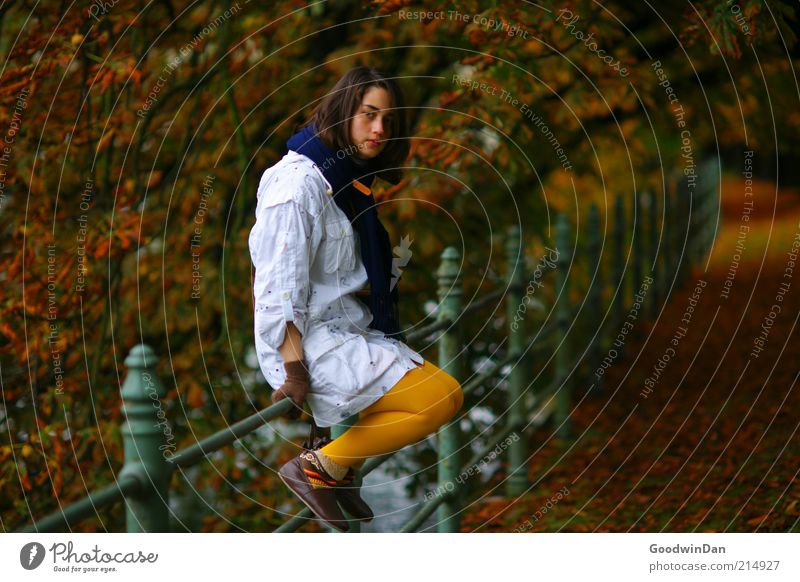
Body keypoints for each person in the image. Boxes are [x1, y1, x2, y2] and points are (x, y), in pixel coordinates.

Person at [249, 66, 464, 532]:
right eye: (369, 115)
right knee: (438, 400)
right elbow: (278, 288)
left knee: (443, 397)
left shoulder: (344, 183)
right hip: (303, 347)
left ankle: (338, 468)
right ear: (344, 110)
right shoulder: (297, 184)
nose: (380, 129)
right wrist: (294, 369)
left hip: (345, 330)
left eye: (388, 120)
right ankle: (316, 469)